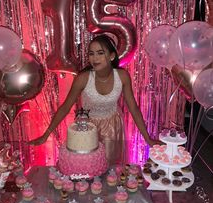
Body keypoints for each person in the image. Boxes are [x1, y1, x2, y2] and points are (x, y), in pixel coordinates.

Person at [28, 34, 164, 165]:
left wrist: (148, 139)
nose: (94, 58)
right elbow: (65, 107)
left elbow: (133, 108)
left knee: (110, 170)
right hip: (87, 128)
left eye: (100, 53)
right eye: (91, 53)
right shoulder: (83, 78)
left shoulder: (122, 76)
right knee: (87, 167)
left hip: (112, 127)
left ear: (111, 56)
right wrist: (45, 135)